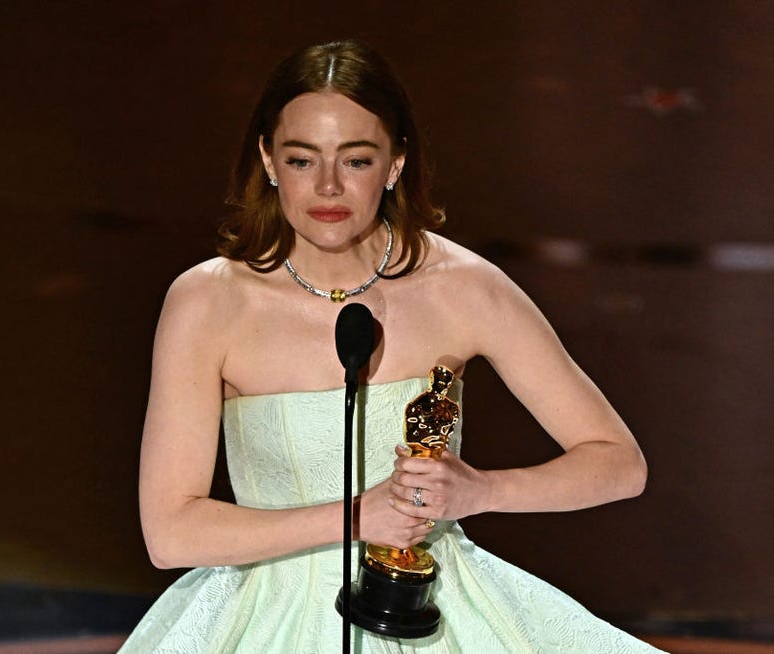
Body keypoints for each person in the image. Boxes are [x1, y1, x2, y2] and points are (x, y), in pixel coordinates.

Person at [120, 40, 663, 653]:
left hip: (434, 613)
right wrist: (357, 517)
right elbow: (171, 532)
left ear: (396, 164)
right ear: (268, 161)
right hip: (264, 622)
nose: (327, 187)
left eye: (355, 160)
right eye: (302, 160)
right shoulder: (207, 302)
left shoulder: (463, 288)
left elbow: (618, 464)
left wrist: (479, 491)